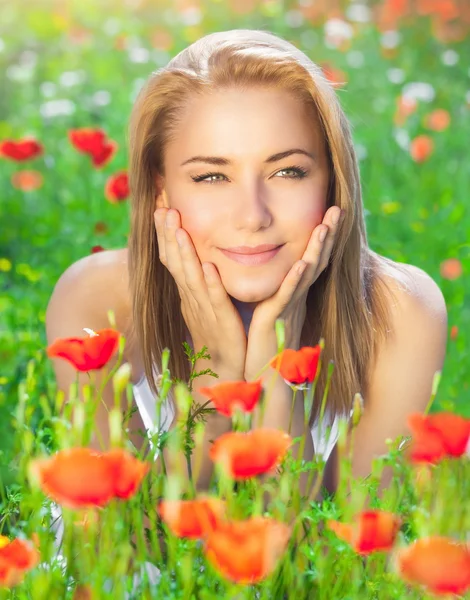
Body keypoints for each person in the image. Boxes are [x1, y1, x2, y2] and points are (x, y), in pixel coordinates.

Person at [46, 28, 448, 510]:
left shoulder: (401, 312)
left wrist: (279, 373)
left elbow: (338, 572)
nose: (253, 215)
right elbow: (122, 553)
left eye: (288, 171)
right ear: (161, 191)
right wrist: (212, 387)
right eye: (212, 176)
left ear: (332, 182)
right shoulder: (96, 300)